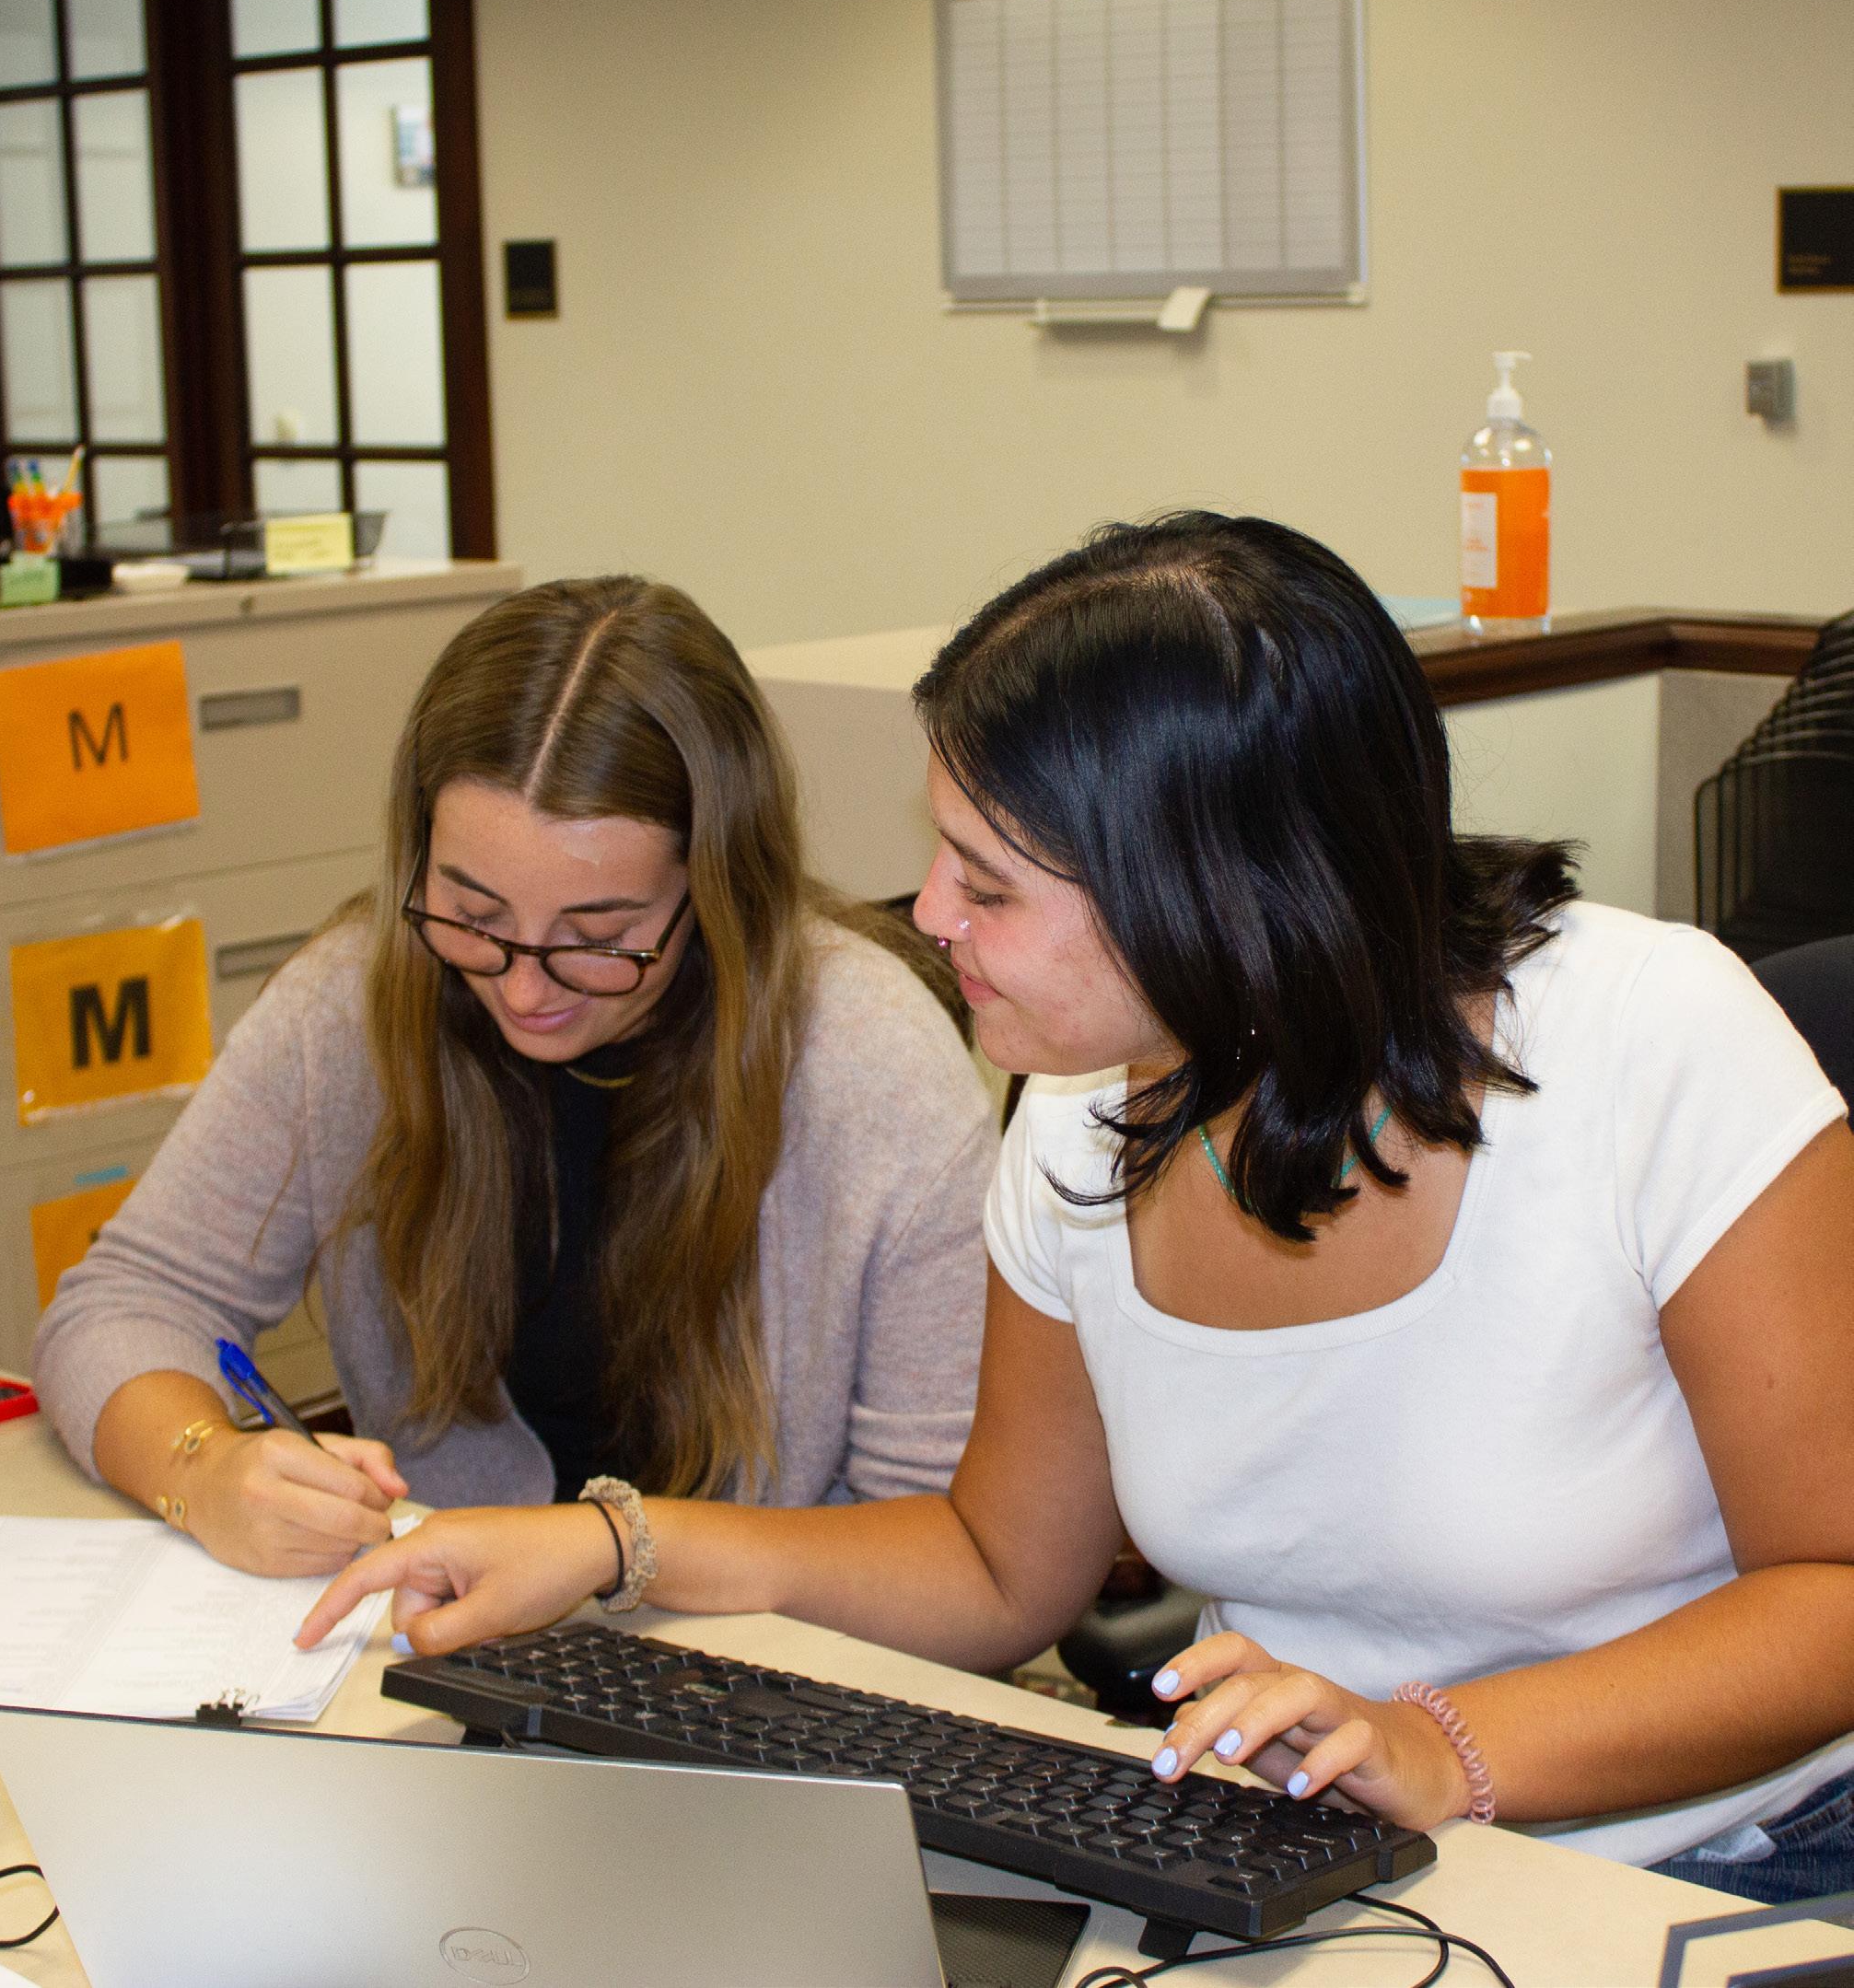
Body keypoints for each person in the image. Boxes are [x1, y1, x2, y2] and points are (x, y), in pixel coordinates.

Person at [304, 516, 1854, 1900]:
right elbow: (994, 1568)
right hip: (1307, 1863)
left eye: (987, 883)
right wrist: (609, 1547)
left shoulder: (1646, 1040)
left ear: (1217, 890)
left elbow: (1831, 1593)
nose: (926, 914)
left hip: (1724, 1867)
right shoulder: (1076, 1112)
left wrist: (1438, 1746)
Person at [33, 575, 997, 1581]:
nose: (525, 987)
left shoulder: (873, 1064)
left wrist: (613, 1555)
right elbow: (121, 1303)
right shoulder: (351, 1002)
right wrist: (204, 1467)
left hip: (777, 1657)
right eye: (474, 914)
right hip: (448, 1637)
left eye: (598, 936)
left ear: (717, 888)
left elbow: (944, 1550)